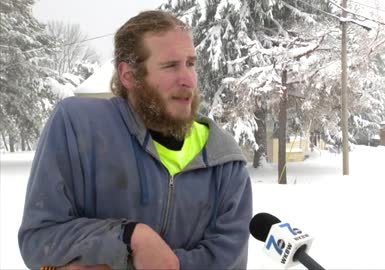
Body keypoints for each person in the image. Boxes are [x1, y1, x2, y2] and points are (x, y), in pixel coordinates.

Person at [18, 10, 252, 270]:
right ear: (128, 75)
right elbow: (39, 241)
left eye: (190, 63)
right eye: (170, 65)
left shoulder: (223, 160)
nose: (187, 79)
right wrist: (129, 237)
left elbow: (226, 262)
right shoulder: (79, 127)